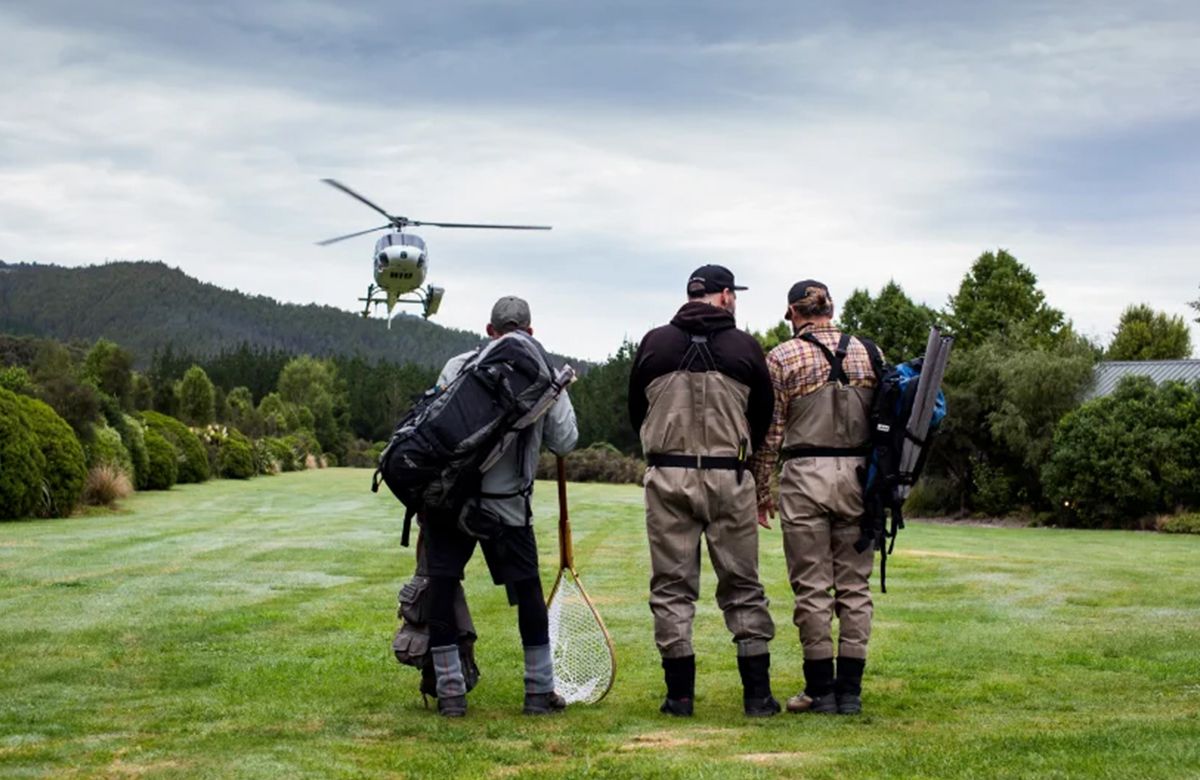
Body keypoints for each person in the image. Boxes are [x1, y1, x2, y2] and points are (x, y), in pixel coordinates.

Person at [628, 264, 779, 717]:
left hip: (667, 475)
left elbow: (636, 410)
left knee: (671, 587)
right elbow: (764, 416)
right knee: (743, 584)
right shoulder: (745, 346)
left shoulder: (654, 343)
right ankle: (757, 697)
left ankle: (679, 697)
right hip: (730, 477)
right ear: (725, 296)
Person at [424, 295, 579, 717]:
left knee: (442, 587)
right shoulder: (546, 373)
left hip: (450, 501)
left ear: (489, 331)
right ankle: (538, 693)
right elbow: (565, 442)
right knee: (527, 593)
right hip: (508, 506)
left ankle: (451, 695)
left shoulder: (459, 366)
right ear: (530, 331)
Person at [750, 280, 881, 715]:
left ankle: (820, 690)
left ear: (793, 312)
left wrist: (761, 490)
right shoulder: (869, 352)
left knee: (811, 586)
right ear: (831, 308)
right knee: (855, 587)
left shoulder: (782, 357)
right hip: (860, 477)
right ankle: (851, 692)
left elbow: (770, 433)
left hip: (805, 475)